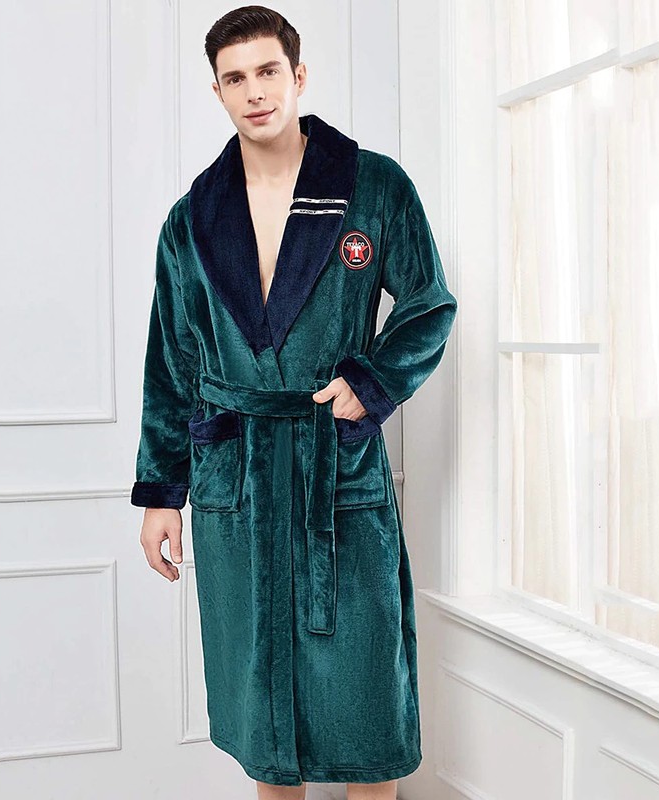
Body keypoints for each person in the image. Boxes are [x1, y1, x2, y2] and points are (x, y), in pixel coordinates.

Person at [131, 6, 457, 799]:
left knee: (367, 715)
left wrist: (370, 385)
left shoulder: (373, 187)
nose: (254, 91)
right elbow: (172, 361)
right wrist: (162, 493)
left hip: (333, 469)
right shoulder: (191, 222)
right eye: (235, 78)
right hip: (235, 480)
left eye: (268, 71)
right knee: (264, 721)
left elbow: (427, 305)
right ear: (216, 90)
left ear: (298, 75)